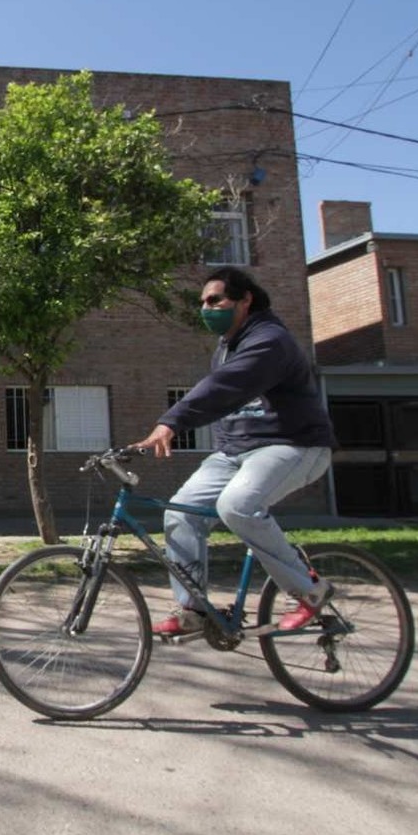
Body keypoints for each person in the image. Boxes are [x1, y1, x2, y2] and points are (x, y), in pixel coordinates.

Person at [131, 266, 338, 636]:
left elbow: (226, 386)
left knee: (237, 505)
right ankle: (194, 609)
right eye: (202, 303)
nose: (206, 309)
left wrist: (172, 421)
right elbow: (222, 398)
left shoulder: (270, 340)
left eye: (215, 300)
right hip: (235, 452)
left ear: (245, 300)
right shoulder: (225, 348)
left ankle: (309, 591)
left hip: (292, 445)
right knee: (181, 512)